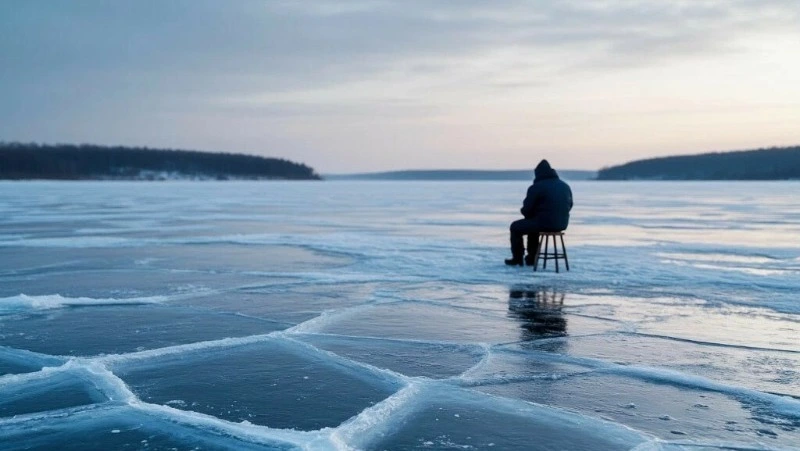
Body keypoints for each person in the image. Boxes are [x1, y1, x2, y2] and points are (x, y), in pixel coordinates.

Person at [505, 159, 573, 266]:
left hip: (544, 223)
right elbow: (570, 205)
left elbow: (526, 209)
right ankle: (531, 258)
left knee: (515, 227)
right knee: (533, 226)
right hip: (562, 224)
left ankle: (517, 258)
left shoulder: (536, 187)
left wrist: (530, 214)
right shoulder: (564, 186)